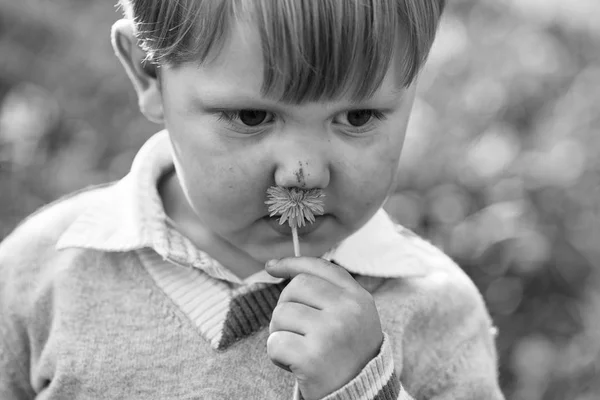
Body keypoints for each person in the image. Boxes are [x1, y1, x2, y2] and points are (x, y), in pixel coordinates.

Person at [0, 1, 505, 399]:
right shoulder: (41, 274)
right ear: (150, 73)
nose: (303, 174)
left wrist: (363, 387)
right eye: (251, 117)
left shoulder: (435, 313)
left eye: (357, 117)